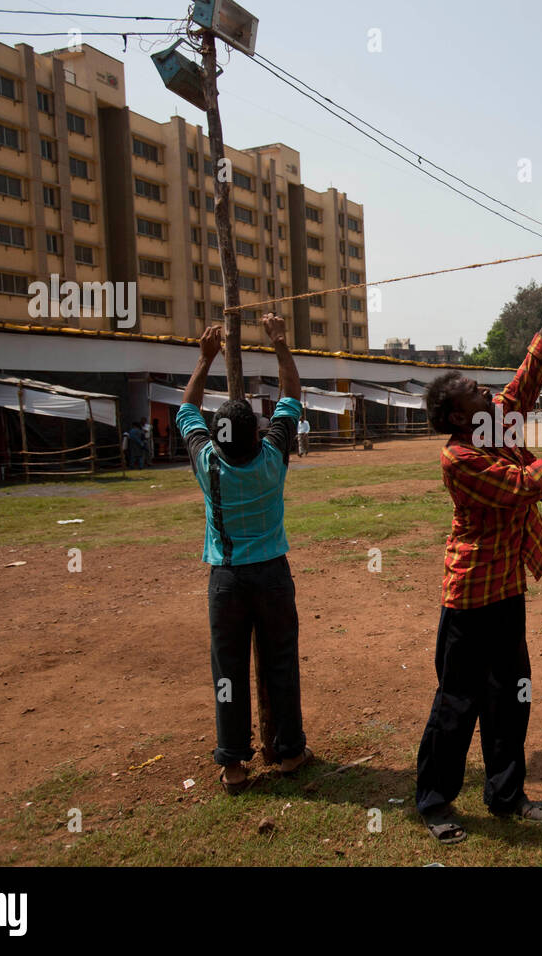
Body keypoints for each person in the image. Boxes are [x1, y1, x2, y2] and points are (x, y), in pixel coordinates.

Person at [415, 258, 542, 844]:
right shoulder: (459, 458)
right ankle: (435, 800)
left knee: (509, 695)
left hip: (506, 590)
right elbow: (525, 487)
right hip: (469, 599)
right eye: (476, 391)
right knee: (457, 701)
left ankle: (506, 795)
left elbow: (535, 363)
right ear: (461, 416)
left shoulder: (497, 423)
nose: (491, 391)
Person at [177, 315, 311, 795]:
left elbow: (185, 410)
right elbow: (292, 393)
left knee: (228, 671)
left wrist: (204, 358)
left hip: (227, 580)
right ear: (257, 435)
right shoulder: (273, 456)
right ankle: (290, 749)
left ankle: (233, 764)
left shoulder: (207, 461)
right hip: (273, 576)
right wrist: (279, 342)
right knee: (281, 663)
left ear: (217, 440)